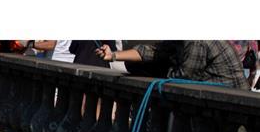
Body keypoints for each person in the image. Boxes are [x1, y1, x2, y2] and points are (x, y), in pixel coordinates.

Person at [95, 41, 247, 89]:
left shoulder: (197, 40)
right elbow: (153, 51)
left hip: (231, 108)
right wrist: (113, 55)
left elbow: (184, 76)